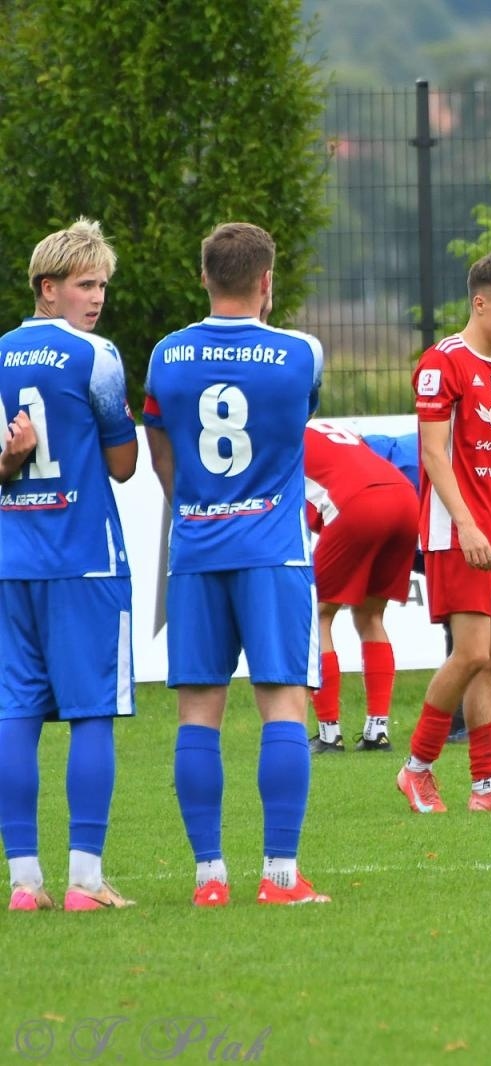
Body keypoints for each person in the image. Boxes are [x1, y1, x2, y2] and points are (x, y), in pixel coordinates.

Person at [144, 222, 330, 905]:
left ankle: (209, 878)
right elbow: (295, 423)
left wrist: (196, 503)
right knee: (281, 699)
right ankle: (280, 875)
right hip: (273, 551)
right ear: (266, 282)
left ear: (204, 277)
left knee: (198, 711)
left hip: (195, 548)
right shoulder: (301, 354)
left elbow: (162, 451)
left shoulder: (167, 355)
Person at [0, 219, 139, 912]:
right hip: (85, 562)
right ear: (47, 288)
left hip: (11, 562)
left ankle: (24, 884)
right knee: (92, 715)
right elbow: (123, 464)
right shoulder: (98, 356)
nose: (98, 297)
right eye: (86, 284)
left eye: (103, 284)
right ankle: (85, 880)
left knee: (14, 715)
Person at [395, 253, 491, 814]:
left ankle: (487, 786)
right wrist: (466, 524)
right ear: (479, 302)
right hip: (460, 533)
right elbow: (433, 455)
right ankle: (416, 768)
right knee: (471, 652)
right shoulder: (442, 363)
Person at [363, 431, 491, 739]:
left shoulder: (398, 472)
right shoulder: (374, 463)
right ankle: (462, 718)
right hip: (479, 495)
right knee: (462, 604)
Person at [303, 420, 420, 754]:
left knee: (318, 616)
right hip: (403, 498)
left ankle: (328, 734)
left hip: (359, 503)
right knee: (371, 616)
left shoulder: (276, 438)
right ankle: (377, 731)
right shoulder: (324, 427)